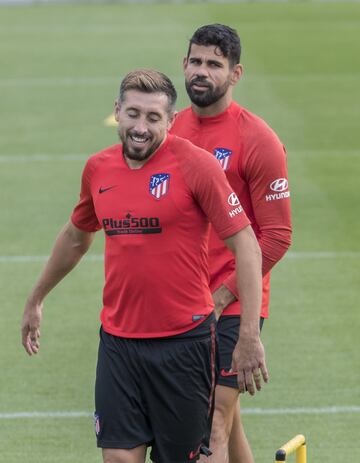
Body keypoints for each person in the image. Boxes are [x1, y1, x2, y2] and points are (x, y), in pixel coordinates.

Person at [21, 69, 269, 463]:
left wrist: (249, 336)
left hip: (184, 344)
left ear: (171, 122)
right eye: (133, 114)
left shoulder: (197, 166)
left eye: (153, 118)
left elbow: (248, 247)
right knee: (118, 457)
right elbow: (75, 236)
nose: (140, 127)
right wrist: (36, 298)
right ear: (117, 112)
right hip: (119, 343)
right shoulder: (98, 169)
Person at [170, 25, 292, 463]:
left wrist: (225, 295)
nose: (203, 72)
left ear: (235, 73)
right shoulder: (168, 131)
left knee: (212, 422)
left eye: (214, 65)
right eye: (196, 61)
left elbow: (277, 236)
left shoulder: (257, 139)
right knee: (227, 413)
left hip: (233, 300)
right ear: (184, 65)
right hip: (182, 297)